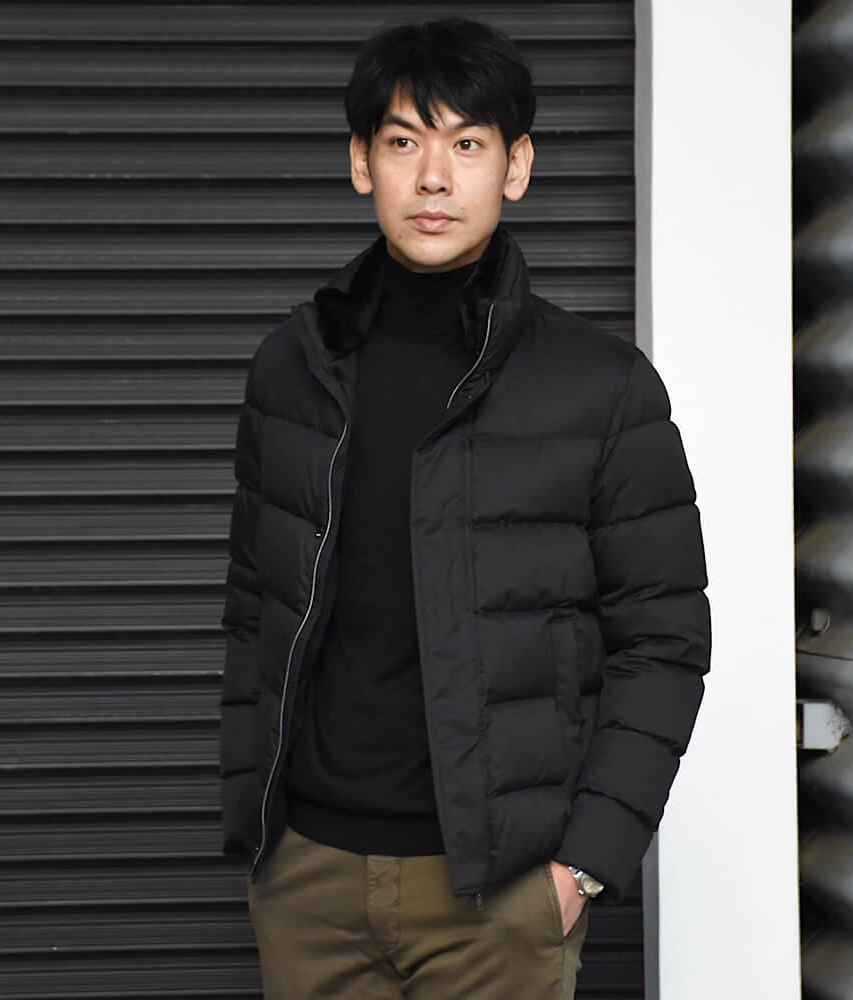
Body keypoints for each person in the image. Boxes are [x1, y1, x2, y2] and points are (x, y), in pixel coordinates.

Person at [220, 16, 711, 1000]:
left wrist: (584, 864)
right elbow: (253, 607)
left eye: (468, 144)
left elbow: (664, 639)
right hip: (310, 877)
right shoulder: (292, 367)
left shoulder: (602, 385)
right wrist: (260, 833)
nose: (433, 177)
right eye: (403, 142)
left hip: (502, 893)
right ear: (361, 163)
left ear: (515, 166)